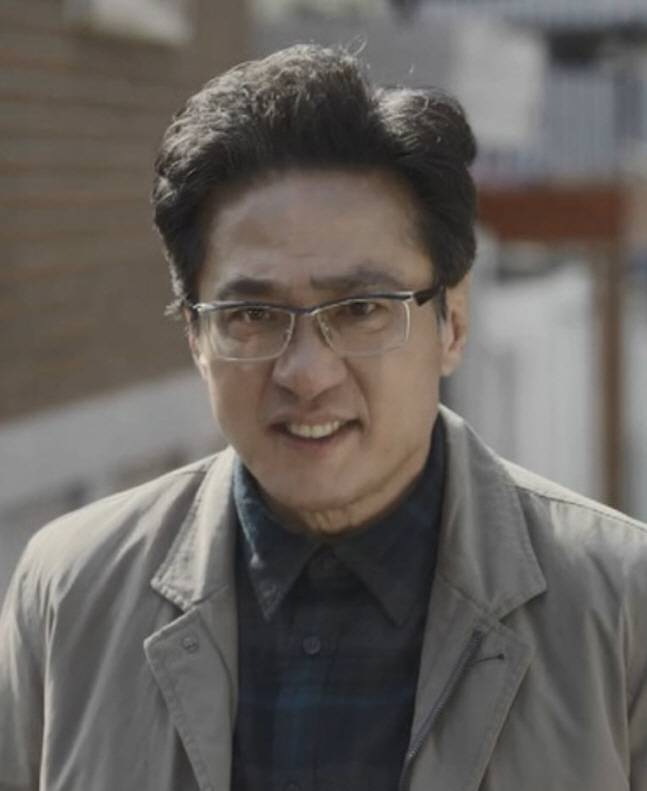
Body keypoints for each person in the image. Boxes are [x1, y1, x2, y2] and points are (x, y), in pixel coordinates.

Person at [1, 43, 646, 791]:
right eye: (251, 315)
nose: (306, 373)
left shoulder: (621, 605)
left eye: (362, 308)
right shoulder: (70, 593)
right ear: (196, 339)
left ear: (452, 321)